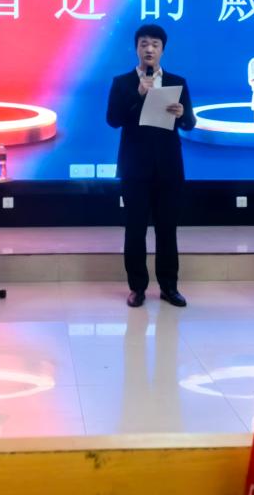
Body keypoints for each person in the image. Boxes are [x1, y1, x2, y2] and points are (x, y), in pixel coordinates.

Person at [106, 24, 194, 309]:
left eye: (155, 44)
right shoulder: (122, 83)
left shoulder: (176, 82)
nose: (149, 49)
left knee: (167, 229)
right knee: (135, 229)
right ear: (136, 48)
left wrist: (182, 114)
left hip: (168, 168)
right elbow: (113, 119)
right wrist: (138, 95)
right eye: (144, 44)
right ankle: (137, 288)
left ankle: (169, 287)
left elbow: (190, 123)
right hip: (134, 168)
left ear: (162, 50)